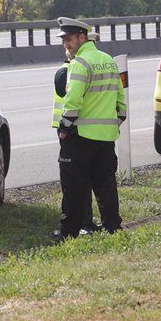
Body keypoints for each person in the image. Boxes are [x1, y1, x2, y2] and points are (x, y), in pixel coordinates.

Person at [55, 18, 126, 239]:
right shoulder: (108, 60)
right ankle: (113, 227)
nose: (66, 44)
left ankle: (69, 232)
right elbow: (120, 100)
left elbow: (73, 100)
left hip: (81, 136)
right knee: (105, 185)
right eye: (64, 40)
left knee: (74, 187)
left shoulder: (79, 63)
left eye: (69, 39)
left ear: (82, 37)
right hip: (106, 137)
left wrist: (64, 128)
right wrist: (114, 121)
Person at [51, 34, 102, 241]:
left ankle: (81, 224)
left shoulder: (71, 70)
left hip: (71, 129)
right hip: (73, 128)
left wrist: (64, 128)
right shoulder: (69, 70)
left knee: (75, 181)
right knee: (85, 180)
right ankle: (85, 222)